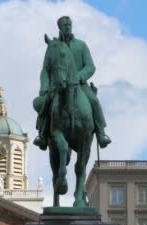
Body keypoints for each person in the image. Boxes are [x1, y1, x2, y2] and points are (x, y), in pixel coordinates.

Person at [33, 15, 111, 151]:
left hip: (79, 85)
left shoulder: (81, 45)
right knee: (45, 105)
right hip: (57, 86)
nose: (67, 27)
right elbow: (45, 69)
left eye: (69, 25)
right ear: (59, 28)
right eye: (64, 25)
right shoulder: (53, 46)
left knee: (94, 101)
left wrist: (79, 77)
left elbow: (90, 66)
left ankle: (101, 133)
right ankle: (42, 135)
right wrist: (44, 88)